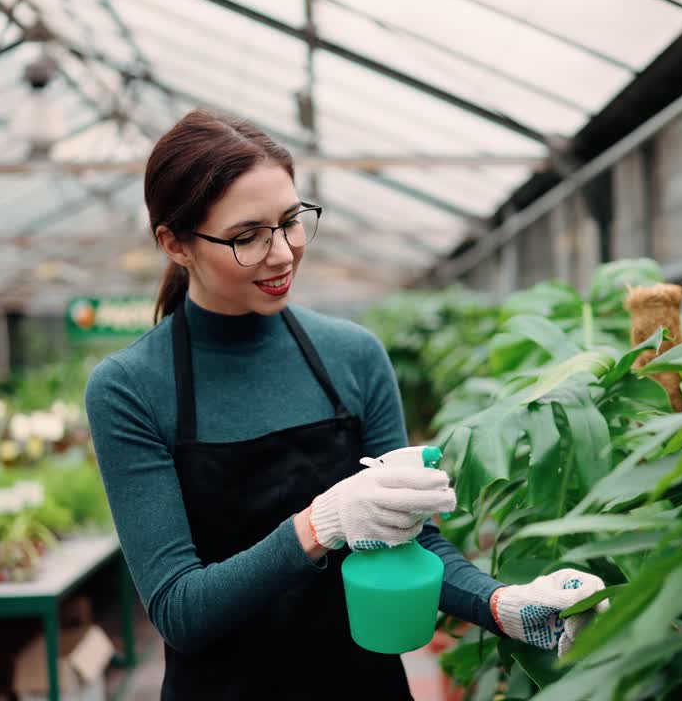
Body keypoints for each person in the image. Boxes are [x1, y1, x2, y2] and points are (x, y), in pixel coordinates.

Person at [85, 109, 609, 699]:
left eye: (291, 222)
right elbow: (180, 610)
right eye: (247, 236)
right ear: (175, 244)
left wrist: (504, 605)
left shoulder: (353, 356)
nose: (282, 253)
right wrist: (322, 524)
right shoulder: (130, 388)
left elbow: (412, 537)